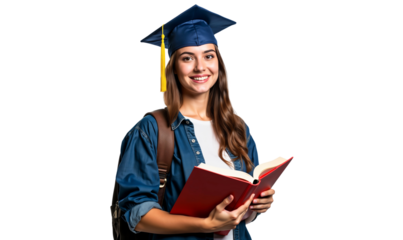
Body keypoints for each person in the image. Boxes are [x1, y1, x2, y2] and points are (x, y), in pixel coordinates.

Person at [114, 4, 276, 240]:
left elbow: (243, 211)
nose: (200, 67)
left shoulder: (239, 128)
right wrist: (206, 224)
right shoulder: (151, 129)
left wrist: (258, 206)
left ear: (219, 65)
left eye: (208, 56)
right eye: (188, 58)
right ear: (173, 68)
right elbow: (138, 215)